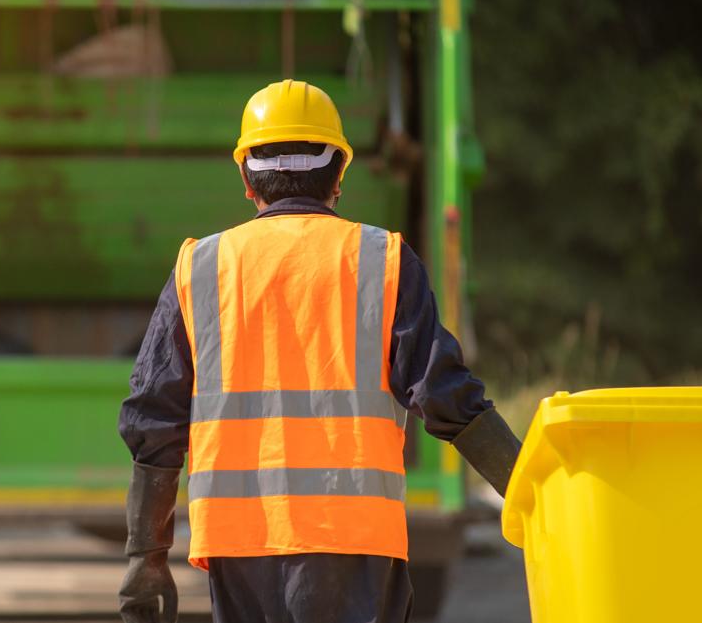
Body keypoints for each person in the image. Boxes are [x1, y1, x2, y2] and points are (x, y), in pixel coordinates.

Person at [117, 79, 522, 623]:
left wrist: (146, 557)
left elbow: (154, 418)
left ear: (246, 178)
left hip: (241, 546)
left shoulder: (202, 268)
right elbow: (446, 395)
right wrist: (527, 492)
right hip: (356, 541)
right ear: (339, 177)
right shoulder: (383, 260)